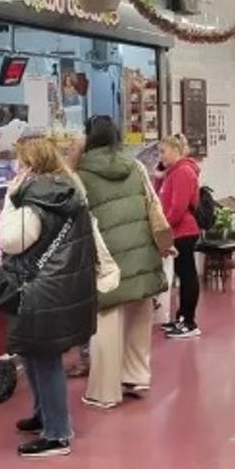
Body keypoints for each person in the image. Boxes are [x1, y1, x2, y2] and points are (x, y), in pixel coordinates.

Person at [0, 135, 115, 458]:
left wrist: (10, 199)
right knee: (33, 353)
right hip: (62, 284)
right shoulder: (67, 187)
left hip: (41, 287)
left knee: (43, 357)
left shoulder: (35, 197)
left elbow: (11, 240)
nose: (14, 167)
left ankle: (57, 434)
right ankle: (43, 414)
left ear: (30, 166)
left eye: (19, 162)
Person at [76, 116, 170, 408]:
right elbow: (153, 204)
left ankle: (105, 391)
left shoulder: (80, 173)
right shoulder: (135, 166)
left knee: (106, 318)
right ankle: (136, 374)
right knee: (140, 309)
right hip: (141, 250)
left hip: (107, 256)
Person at [158, 134, 203, 339]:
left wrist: (164, 226)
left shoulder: (183, 172)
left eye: (163, 151)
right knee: (181, 275)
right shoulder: (172, 172)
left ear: (175, 151)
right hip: (176, 230)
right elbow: (161, 196)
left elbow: (178, 206)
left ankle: (189, 321)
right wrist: (158, 176)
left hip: (184, 231)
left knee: (187, 275)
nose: (161, 156)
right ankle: (181, 316)